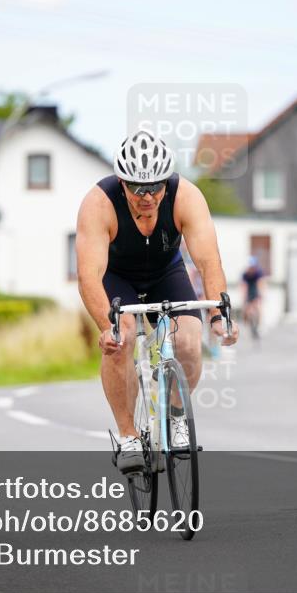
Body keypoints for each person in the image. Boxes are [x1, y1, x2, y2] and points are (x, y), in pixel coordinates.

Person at [75, 130, 239, 473]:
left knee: (188, 340)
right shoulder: (98, 204)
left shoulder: (186, 197)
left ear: (168, 181)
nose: (147, 196)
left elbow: (209, 262)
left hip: (167, 272)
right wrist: (108, 327)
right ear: (122, 182)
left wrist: (218, 316)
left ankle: (177, 414)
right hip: (117, 276)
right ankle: (128, 437)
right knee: (122, 339)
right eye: (137, 188)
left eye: (156, 187)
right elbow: (89, 276)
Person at [241, 256, 266, 341]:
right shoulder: (245, 274)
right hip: (249, 291)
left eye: (253, 267)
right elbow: (244, 287)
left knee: (258, 308)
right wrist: (244, 299)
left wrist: (260, 296)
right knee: (246, 310)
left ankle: (258, 326)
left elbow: (261, 284)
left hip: (255, 290)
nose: (251, 269)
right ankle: (247, 325)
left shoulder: (258, 273)